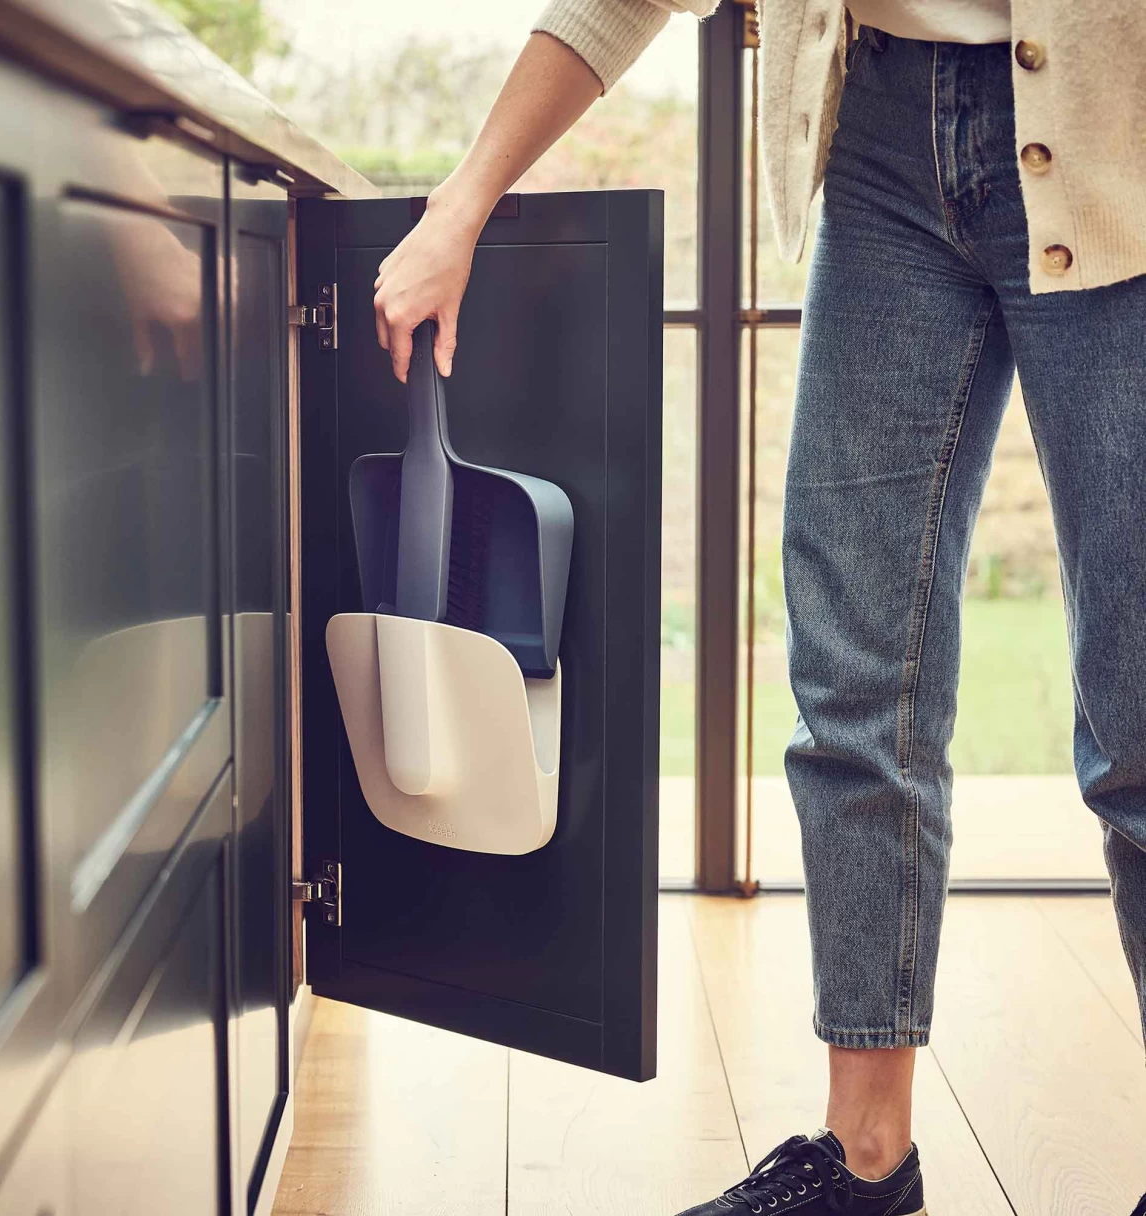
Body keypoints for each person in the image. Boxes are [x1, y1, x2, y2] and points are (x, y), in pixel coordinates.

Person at [371, 2, 1146, 1212]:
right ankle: (867, 1160)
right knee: (853, 684)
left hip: (1118, 129)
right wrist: (462, 199)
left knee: (1142, 719)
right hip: (883, 135)